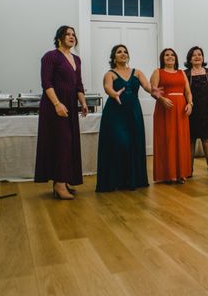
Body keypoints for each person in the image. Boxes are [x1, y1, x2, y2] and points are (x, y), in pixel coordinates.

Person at [35, 25, 88, 200]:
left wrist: (83, 102)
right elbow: (46, 83)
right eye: (68, 34)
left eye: (73, 35)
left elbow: (78, 84)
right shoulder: (50, 57)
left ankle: (64, 181)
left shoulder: (76, 59)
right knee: (60, 143)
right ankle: (58, 184)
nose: (72, 37)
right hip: (54, 106)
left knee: (70, 143)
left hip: (71, 106)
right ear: (59, 37)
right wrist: (57, 104)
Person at [96, 44, 157, 192]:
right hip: (115, 113)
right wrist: (114, 94)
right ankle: (115, 180)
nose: (123, 54)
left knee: (133, 144)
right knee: (120, 144)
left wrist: (154, 91)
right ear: (114, 57)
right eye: (119, 52)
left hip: (133, 113)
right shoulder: (110, 74)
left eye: (125, 52)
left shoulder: (137, 73)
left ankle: (130, 180)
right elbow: (107, 87)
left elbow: (148, 87)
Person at [151, 48, 193, 184]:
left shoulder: (182, 72)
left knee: (181, 139)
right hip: (165, 109)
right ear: (162, 59)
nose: (170, 57)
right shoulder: (158, 72)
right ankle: (168, 174)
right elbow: (152, 90)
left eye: (172, 55)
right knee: (167, 139)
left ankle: (182, 172)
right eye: (166, 55)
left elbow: (187, 91)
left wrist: (190, 104)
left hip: (181, 109)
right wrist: (162, 99)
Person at [184, 46, 208, 177]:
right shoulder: (185, 73)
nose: (197, 57)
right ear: (190, 58)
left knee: (207, 139)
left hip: (207, 110)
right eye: (194, 55)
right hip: (190, 111)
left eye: (199, 54)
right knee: (190, 140)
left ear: (203, 57)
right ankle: (188, 170)